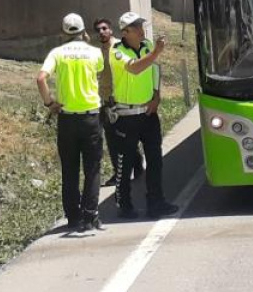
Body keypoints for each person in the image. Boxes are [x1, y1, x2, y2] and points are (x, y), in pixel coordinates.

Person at [37, 13, 105, 232]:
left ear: (63, 33)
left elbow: (41, 78)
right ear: (84, 31)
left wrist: (50, 103)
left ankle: (73, 218)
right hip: (91, 117)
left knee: (70, 169)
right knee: (93, 168)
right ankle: (90, 214)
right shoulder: (94, 52)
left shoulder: (56, 53)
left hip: (66, 118)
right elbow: (99, 72)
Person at [110, 12, 179, 219]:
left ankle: (156, 202)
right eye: (136, 27)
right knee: (127, 162)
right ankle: (124, 204)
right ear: (125, 32)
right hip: (127, 115)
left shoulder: (147, 46)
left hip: (148, 114)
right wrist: (157, 52)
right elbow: (135, 68)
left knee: (155, 159)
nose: (141, 30)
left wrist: (156, 96)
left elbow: (155, 71)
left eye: (141, 25)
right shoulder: (117, 52)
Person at [94, 18, 143, 187]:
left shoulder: (118, 48)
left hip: (121, 100)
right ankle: (119, 173)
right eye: (98, 30)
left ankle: (137, 166)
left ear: (111, 30)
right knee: (112, 139)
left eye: (104, 28)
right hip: (106, 101)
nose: (101, 32)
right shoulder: (98, 52)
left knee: (126, 137)